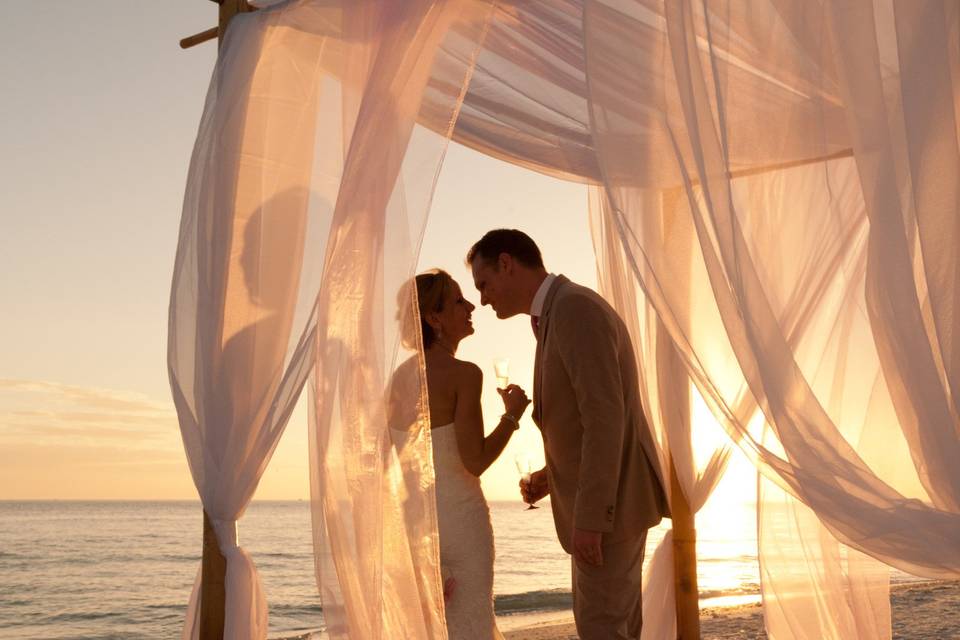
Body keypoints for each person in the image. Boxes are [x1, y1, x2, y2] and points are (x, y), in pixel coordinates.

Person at [467, 230, 670, 639]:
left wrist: (592, 517)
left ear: (506, 263)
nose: (483, 299)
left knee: (602, 629)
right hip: (606, 503)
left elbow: (605, 417)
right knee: (612, 627)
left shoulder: (574, 309)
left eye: (484, 284)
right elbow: (584, 421)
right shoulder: (556, 314)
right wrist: (550, 476)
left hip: (610, 509)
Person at [394, 269, 530, 640]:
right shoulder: (464, 375)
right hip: (460, 525)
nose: (471, 305)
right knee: (471, 624)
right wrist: (512, 416)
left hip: (416, 526)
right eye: (458, 300)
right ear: (433, 318)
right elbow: (475, 460)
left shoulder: (397, 382)